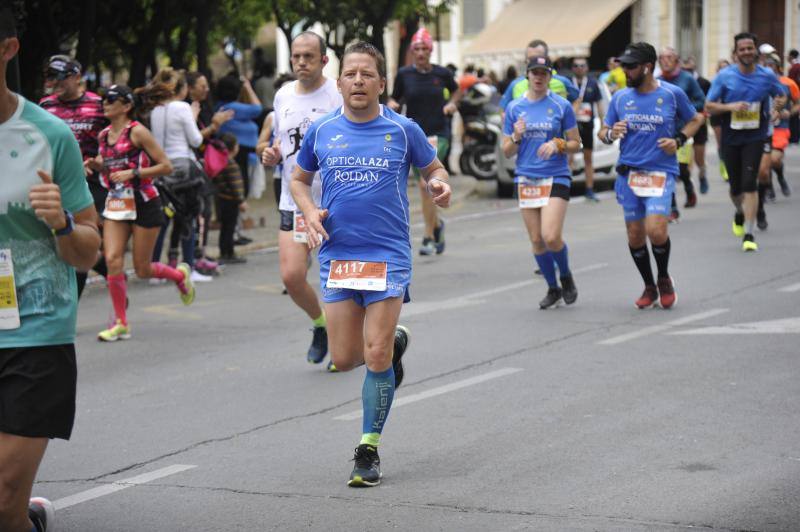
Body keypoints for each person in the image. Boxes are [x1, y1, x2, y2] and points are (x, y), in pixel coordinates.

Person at [291, 41, 451, 487]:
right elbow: (299, 178)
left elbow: (434, 169)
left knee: (374, 354)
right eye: (350, 74)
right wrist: (307, 210)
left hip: (387, 255)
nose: (357, 81)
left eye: (367, 74)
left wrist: (440, 185)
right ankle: (394, 343)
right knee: (345, 359)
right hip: (338, 254)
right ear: (339, 82)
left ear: (382, 83)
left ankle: (367, 449)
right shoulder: (322, 131)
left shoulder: (403, 130)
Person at [0, 9, 101, 532]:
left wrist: (61, 221)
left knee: (2, 500)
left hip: (34, 333)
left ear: (8, 50)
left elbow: (89, 250)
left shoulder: (49, 135)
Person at [598, 42, 703, 309]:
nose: (626, 71)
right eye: (623, 66)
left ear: (647, 67)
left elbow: (696, 119)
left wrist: (678, 139)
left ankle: (664, 277)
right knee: (635, 235)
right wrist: (612, 133)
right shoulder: (621, 97)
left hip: (660, 171)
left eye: (631, 67)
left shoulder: (672, 94)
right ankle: (649, 285)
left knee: (655, 230)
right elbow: (604, 131)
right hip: (628, 173)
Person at [259, 31, 342, 368]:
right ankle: (321, 324)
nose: (302, 62)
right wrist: (270, 154)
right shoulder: (283, 96)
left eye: (309, 56)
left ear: (324, 59)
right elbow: (278, 143)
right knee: (292, 276)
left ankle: (342, 343)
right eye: (297, 57)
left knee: (336, 276)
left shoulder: (338, 92)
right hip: (294, 199)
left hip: (334, 199)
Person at [86, 85, 194, 341]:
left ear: (126, 106)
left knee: (142, 269)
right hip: (117, 204)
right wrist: (95, 165)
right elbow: (110, 166)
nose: (105, 103)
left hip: (144, 202)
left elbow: (165, 166)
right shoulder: (103, 136)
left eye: (111, 100)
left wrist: (134, 173)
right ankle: (121, 322)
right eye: (103, 99)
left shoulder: (137, 132)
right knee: (112, 259)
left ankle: (179, 275)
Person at [503, 56, 581, 309]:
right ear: (527, 76)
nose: (539, 77)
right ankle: (553, 287)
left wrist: (557, 144)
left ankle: (566, 275)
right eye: (534, 73)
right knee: (537, 239)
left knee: (551, 234)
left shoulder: (561, 106)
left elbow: (575, 143)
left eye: (544, 73)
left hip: (556, 175)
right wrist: (516, 135)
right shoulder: (515, 108)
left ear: (550, 77)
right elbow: (506, 151)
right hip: (526, 176)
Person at [706, 32, 786, 252]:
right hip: (731, 138)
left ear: (755, 51)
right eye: (742, 49)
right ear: (736, 53)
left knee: (750, 183)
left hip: (755, 136)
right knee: (735, 187)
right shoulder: (725, 77)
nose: (747, 52)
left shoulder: (766, 75)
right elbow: (709, 105)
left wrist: (777, 111)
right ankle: (740, 212)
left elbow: (781, 95)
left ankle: (749, 233)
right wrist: (730, 107)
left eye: (750, 48)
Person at [39, 54, 108, 298]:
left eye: (60, 77)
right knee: (70, 239)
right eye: (50, 77)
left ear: (77, 77)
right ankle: (111, 270)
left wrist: (102, 160)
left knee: (81, 236)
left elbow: (119, 140)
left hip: (93, 184)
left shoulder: (99, 106)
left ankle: (74, 305)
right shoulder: (45, 106)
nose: (54, 82)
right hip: (60, 183)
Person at [388, 27, 459, 256]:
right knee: (426, 187)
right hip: (414, 135)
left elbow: (457, 91)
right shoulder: (404, 74)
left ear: (431, 50)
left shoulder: (442, 74)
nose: (420, 53)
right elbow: (393, 96)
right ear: (412, 51)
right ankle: (437, 226)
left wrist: (452, 104)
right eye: (417, 49)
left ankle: (428, 237)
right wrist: (392, 105)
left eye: (424, 49)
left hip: (439, 133)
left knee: (426, 185)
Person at [144, 68, 207, 280]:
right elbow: (196, 140)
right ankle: (189, 266)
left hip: (163, 168)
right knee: (188, 217)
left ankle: (154, 269)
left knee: (164, 219)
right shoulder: (182, 107)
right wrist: (194, 116)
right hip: (184, 167)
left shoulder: (155, 110)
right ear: (181, 89)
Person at [657, 46, 706, 218]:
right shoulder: (656, 81)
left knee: (682, 169)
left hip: (684, 131)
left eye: (669, 57)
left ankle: (689, 187)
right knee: (667, 171)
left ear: (676, 60)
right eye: (662, 58)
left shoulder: (687, 79)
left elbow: (701, 100)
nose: (666, 61)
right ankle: (672, 207)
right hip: (663, 133)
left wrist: (684, 109)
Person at [499, 40, 578, 110]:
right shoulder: (515, 84)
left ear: (547, 58)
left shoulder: (562, 81)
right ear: (526, 60)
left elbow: (577, 99)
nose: (534, 62)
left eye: (538, 57)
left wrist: (569, 119)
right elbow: (503, 108)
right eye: (530, 59)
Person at [570, 56, 604, 201]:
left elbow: (599, 105)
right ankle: (566, 189)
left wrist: (603, 125)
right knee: (568, 156)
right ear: (572, 68)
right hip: (572, 126)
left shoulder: (592, 83)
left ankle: (589, 189)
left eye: (582, 65)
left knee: (588, 158)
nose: (579, 68)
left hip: (587, 124)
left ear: (587, 68)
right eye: (576, 66)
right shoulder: (568, 83)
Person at [681, 55, 712, 195]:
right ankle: (689, 189)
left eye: (689, 67)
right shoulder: (676, 82)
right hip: (682, 124)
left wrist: (705, 110)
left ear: (695, 66)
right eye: (684, 68)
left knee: (699, 157)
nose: (687, 70)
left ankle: (702, 175)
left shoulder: (704, 82)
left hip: (699, 122)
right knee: (683, 162)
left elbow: (708, 101)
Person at [215, 134, 248, 262]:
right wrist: (241, 200)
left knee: (225, 227)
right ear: (234, 148)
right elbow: (236, 184)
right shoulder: (231, 164)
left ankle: (224, 252)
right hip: (231, 200)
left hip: (222, 199)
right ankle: (229, 253)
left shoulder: (220, 161)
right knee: (229, 227)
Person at [710, 59, 731, 180]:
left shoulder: (735, 81)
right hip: (717, 115)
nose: (724, 70)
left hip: (729, 114)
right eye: (721, 68)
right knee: (721, 143)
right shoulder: (715, 82)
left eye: (726, 67)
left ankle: (731, 165)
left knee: (730, 141)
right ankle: (723, 166)